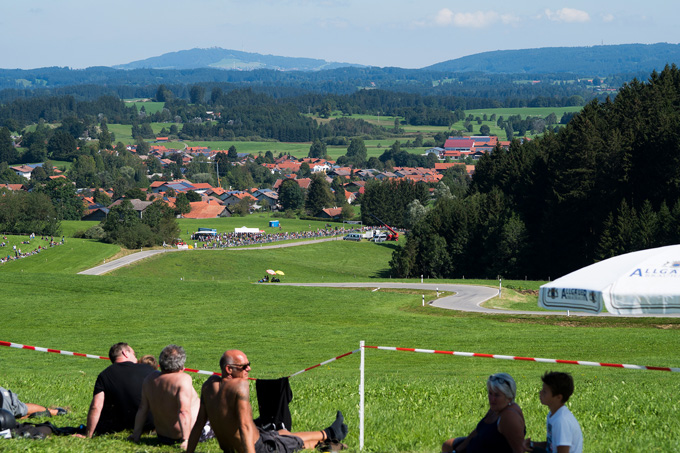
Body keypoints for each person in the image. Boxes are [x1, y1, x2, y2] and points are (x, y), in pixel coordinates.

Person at [187, 349, 348, 453]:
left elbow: (199, 423)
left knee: (283, 433)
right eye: (244, 367)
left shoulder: (209, 385)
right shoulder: (240, 386)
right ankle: (330, 434)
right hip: (258, 448)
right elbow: (243, 426)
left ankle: (329, 433)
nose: (249, 369)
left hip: (252, 440)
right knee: (292, 443)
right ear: (229, 369)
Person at [130, 344, 200, 450]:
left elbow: (143, 408)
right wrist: (186, 440)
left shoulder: (150, 379)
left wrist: (136, 434)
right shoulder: (183, 379)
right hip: (182, 435)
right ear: (181, 366)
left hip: (163, 436)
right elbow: (183, 411)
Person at [81, 342, 156, 438]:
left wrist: (88, 434)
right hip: (152, 423)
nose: (136, 358)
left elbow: (96, 406)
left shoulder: (104, 375)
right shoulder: (148, 369)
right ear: (125, 353)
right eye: (134, 354)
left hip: (121, 425)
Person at [442, 373, 526, 453]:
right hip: (475, 445)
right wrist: (456, 451)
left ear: (509, 397)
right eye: (490, 393)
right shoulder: (495, 409)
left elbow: (519, 450)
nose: (492, 399)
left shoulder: (509, 417)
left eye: (497, 395)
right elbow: (478, 431)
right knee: (447, 445)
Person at [524, 371, 583, 453]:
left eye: (544, 391)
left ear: (558, 397)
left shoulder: (561, 421)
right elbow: (550, 446)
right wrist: (530, 444)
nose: (540, 393)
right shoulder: (553, 414)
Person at [0, 386, 67, 419]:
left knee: (19, 408)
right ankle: (53, 412)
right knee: (19, 409)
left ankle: (53, 412)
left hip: (4, 400)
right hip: (5, 400)